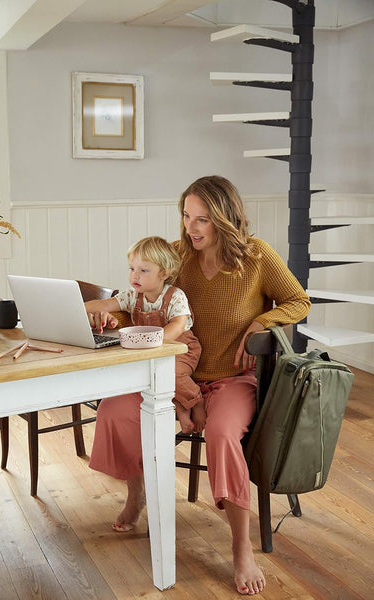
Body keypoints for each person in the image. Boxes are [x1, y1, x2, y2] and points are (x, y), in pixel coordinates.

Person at [88, 176, 311, 596]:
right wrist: (112, 318)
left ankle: (240, 547)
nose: (191, 228)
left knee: (223, 433)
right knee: (115, 409)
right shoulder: (175, 256)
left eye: (202, 219)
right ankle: (136, 493)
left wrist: (262, 321)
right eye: (187, 216)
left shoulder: (257, 256)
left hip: (233, 379)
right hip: (172, 373)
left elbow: (299, 300)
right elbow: (142, 300)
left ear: (225, 219)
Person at [85, 236, 204, 434]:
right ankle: (182, 409)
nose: (135, 276)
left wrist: (155, 342)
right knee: (147, 376)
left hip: (179, 349)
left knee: (169, 373)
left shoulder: (175, 296)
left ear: (164, 273)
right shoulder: (131, 296)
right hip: (147, 351)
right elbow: (104, 304)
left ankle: (196, 400)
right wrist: (77, 308)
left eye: (143, 270)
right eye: (132, 269)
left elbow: (178, 325)